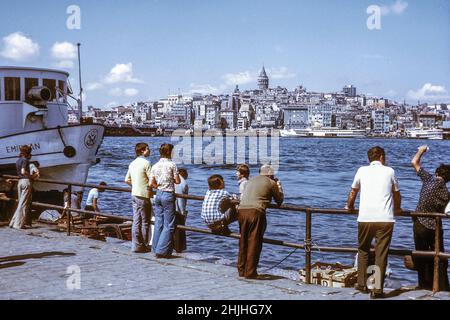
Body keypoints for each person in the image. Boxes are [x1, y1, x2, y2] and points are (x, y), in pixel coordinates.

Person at [346, 146, 402, 299]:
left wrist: (349, 206)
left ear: (369, 159)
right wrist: (397, 208)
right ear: (382, 157)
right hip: (385, 219)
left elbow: (353, 192)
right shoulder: (390, 171)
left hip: (365, 217)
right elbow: (397, 194)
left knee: (363, 250)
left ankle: (362, 284)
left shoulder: (361, 171)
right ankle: (377, 289)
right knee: (381, 253)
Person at [410, 145, 450, 291]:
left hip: (420, 222)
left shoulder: (428, 179)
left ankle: (423, 285)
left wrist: (421, 149)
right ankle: (441, 285)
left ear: (437, 173)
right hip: (435, 227)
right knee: (438, 256)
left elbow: (414, 162)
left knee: (421, 254)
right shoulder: (447, 193)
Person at [237, 164, 284, 279]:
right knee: (254, 242)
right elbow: (279, 200)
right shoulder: (271, 182)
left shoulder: (250, 180)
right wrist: (279, 186)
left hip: (242, 211)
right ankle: (250, 272)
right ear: (270, 174)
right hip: (256, 212)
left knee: (243, 241)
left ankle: (241, 270)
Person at [150, 143, 180, 258]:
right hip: (168, 194)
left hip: (158, 195)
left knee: (159, 222)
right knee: (169, 224)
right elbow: (177, 181)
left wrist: (159, 186)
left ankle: (155, 247)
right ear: (169, 152)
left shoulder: (155, 165)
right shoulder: (172, 165)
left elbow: (151, 183)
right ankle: (161, 250)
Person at [125, 143, 153, 253]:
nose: (149, 150)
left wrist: (135, 185)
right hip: (144, 195)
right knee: (145, 221)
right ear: (142, 151)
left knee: (136, 220)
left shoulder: (132, 163)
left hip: (134, 194)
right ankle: (145, 245)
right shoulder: (147, 163)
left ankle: (136, 245)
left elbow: (127, 179)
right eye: (147, 149)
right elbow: (151, 180)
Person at [9, 145, 39, 229]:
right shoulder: (25, 160)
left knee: (20, 203)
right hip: (26, 181)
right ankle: (18, 224)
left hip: (20, 182)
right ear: (27, 153)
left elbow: (20, 172)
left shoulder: (18, 160)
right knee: (23, 204)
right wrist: (32, 176)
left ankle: (12, 222)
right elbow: (23, 171)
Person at [174, 168, 189, 253]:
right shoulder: (183, 183)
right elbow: (181, 200)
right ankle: (179, 248)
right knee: (179, 229)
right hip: (178, 209)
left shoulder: (174, 180)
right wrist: (183, 212)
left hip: (170, 207)